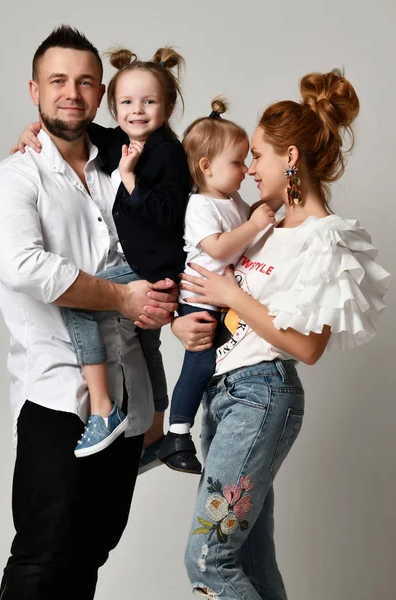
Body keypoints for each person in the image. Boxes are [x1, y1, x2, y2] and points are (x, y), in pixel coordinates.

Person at [0, 26, 177, 600]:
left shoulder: (125, 165)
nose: (73, 93)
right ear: (34, 90)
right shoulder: (10, 180)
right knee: (44, 554)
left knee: (92, 551)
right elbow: (25, 268)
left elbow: (169, 229)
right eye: (58, 81)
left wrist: (165, 301)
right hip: (57, 398)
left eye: (86, 82)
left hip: (129, 397)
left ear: (102, 93)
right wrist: (122, 297)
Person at [171, 69, 390, 599]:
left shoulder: (325, 240)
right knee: (250, 560)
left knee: (208, 560)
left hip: (262, 396)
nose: (248, 170)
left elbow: (308, 347)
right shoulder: (262, 226)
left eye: (260, 157)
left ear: (289, 158)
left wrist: (234, 298)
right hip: (222, 395)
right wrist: (185, 322)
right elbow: (213, 288)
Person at [13, 46, 191, 463]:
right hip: (149, 266)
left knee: (78, 300)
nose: (137, 112)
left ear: (167, 107)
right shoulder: (122, 142)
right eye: (127, 103)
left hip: (153, 266)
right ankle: (157, 433)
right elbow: (74, 129)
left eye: (149, 102)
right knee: (149, 349)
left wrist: (129, 180)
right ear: (112, 105)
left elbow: (168, 213)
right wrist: (33, 129)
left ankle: (104, 409)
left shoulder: (165, 152)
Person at [156, 98, 275, 474]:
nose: (245, 170)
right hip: (200, 301)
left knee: (219, 362)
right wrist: (256, 225)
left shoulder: (232, 200)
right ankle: (176, 434)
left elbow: (255, 215)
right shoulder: (200, 206)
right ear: (206, 167)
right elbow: (221, 247)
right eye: (238, 162)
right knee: (201, 361)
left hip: (224, 298)